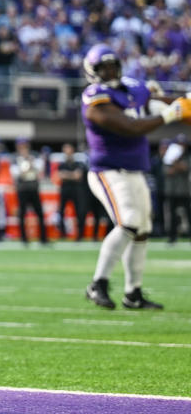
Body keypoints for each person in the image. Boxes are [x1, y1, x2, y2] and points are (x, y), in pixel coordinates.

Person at [80, 44, 191, 310]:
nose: (109, 72)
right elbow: (130, 127)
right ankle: (98, 284)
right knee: (128, 222)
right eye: (102, 68)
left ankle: (133, 294)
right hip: (108, 171)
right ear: (92, 72)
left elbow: (165, 104)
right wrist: (170, 113)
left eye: (112, 66)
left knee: (142, 230)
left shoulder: (132, 87)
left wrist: (183, 100)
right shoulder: (94, 98)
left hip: (135, 170)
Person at [13, 138, 48, 245]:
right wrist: (25, 168)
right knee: (22, 214)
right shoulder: (16, 159)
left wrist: (31, 163)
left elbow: (39, 170)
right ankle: (24, 238)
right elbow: (16, 174)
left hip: (33, 189)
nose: (23, 149)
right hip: (22, 190)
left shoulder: (34, 157)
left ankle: (43, 238)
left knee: (40, 214)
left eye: (25, 147)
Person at [162, 135, 191, 245]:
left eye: (183, 144)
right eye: (179, 144)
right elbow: (168, 172)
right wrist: (175, 164)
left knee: (189, 214)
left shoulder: (187, 157)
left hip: (184, 191)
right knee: (171, 216)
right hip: (171, 191)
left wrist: (175, 163)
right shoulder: (167, 158)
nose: (181, 146)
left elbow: (185, 168)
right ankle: (172, 237)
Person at [56, 143, 87, 239]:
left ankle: (80, 235)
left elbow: (78, 176)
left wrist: (67, 175)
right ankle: (62, 234)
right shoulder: (62, 164)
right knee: (61, 211)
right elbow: (61, 175)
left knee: (79, 212)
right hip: (65, 189)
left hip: (76, 190)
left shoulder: (78, 163)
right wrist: (72, 175)